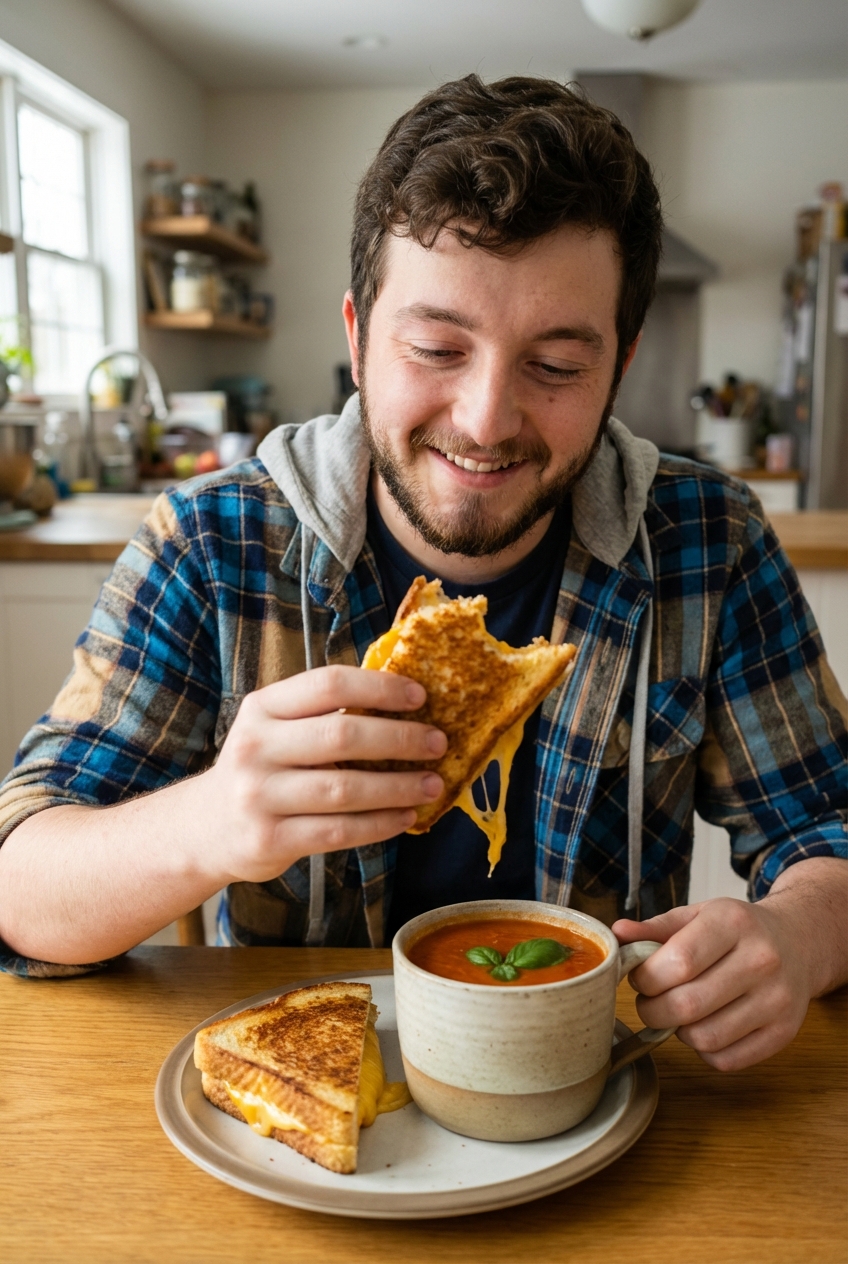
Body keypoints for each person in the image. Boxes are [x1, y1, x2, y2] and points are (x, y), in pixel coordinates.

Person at [0, 76, 844, 1073]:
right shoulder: (211, 541)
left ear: (620, 361)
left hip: (593, 1103)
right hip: (297, 1120)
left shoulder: (707, 541)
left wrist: (791, 936)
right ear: (357, 339)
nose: (484, 419)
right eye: (437, 346)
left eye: (557, 366)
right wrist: (212, 821)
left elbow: (823, 825)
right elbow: (22, 888)